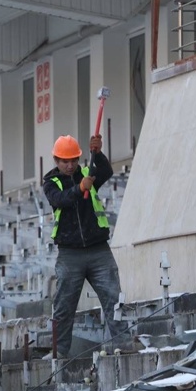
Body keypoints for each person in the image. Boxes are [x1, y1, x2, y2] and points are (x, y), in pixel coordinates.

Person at [42, 134, 128, 359]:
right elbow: (61, 200)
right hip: (70, 252)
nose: (69, 165)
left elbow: (106, 171)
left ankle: (124, 343)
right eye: (64, 161)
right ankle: (59, 350)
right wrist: (80, 188)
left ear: (79, 158)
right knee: (64, 304)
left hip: (98, 249)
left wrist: (98, 154)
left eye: (73, 160)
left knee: (113, 297)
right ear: (56, 161)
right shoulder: (51, 183)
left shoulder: (89, 174)